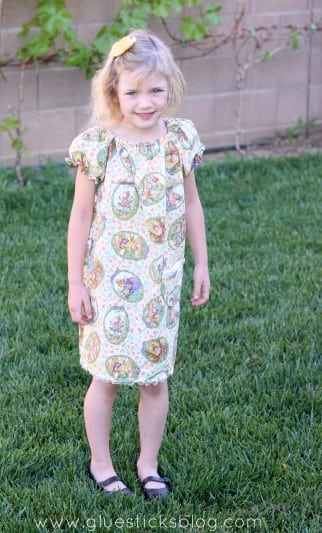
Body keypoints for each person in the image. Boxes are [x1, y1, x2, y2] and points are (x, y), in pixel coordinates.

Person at [66, 29, 210, 499]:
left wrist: (201, 264)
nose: (145, 102)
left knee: (154, 378)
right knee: (105, 378)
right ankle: (101, 464)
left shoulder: (179, 139)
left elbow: (191, 205)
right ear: (114, 92)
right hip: (107, 282)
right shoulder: (99, 145)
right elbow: (81, 216)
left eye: (155, 90)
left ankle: (148, 464)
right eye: (133, 92)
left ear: (170, 87)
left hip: (160, 284)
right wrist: (76, 284)